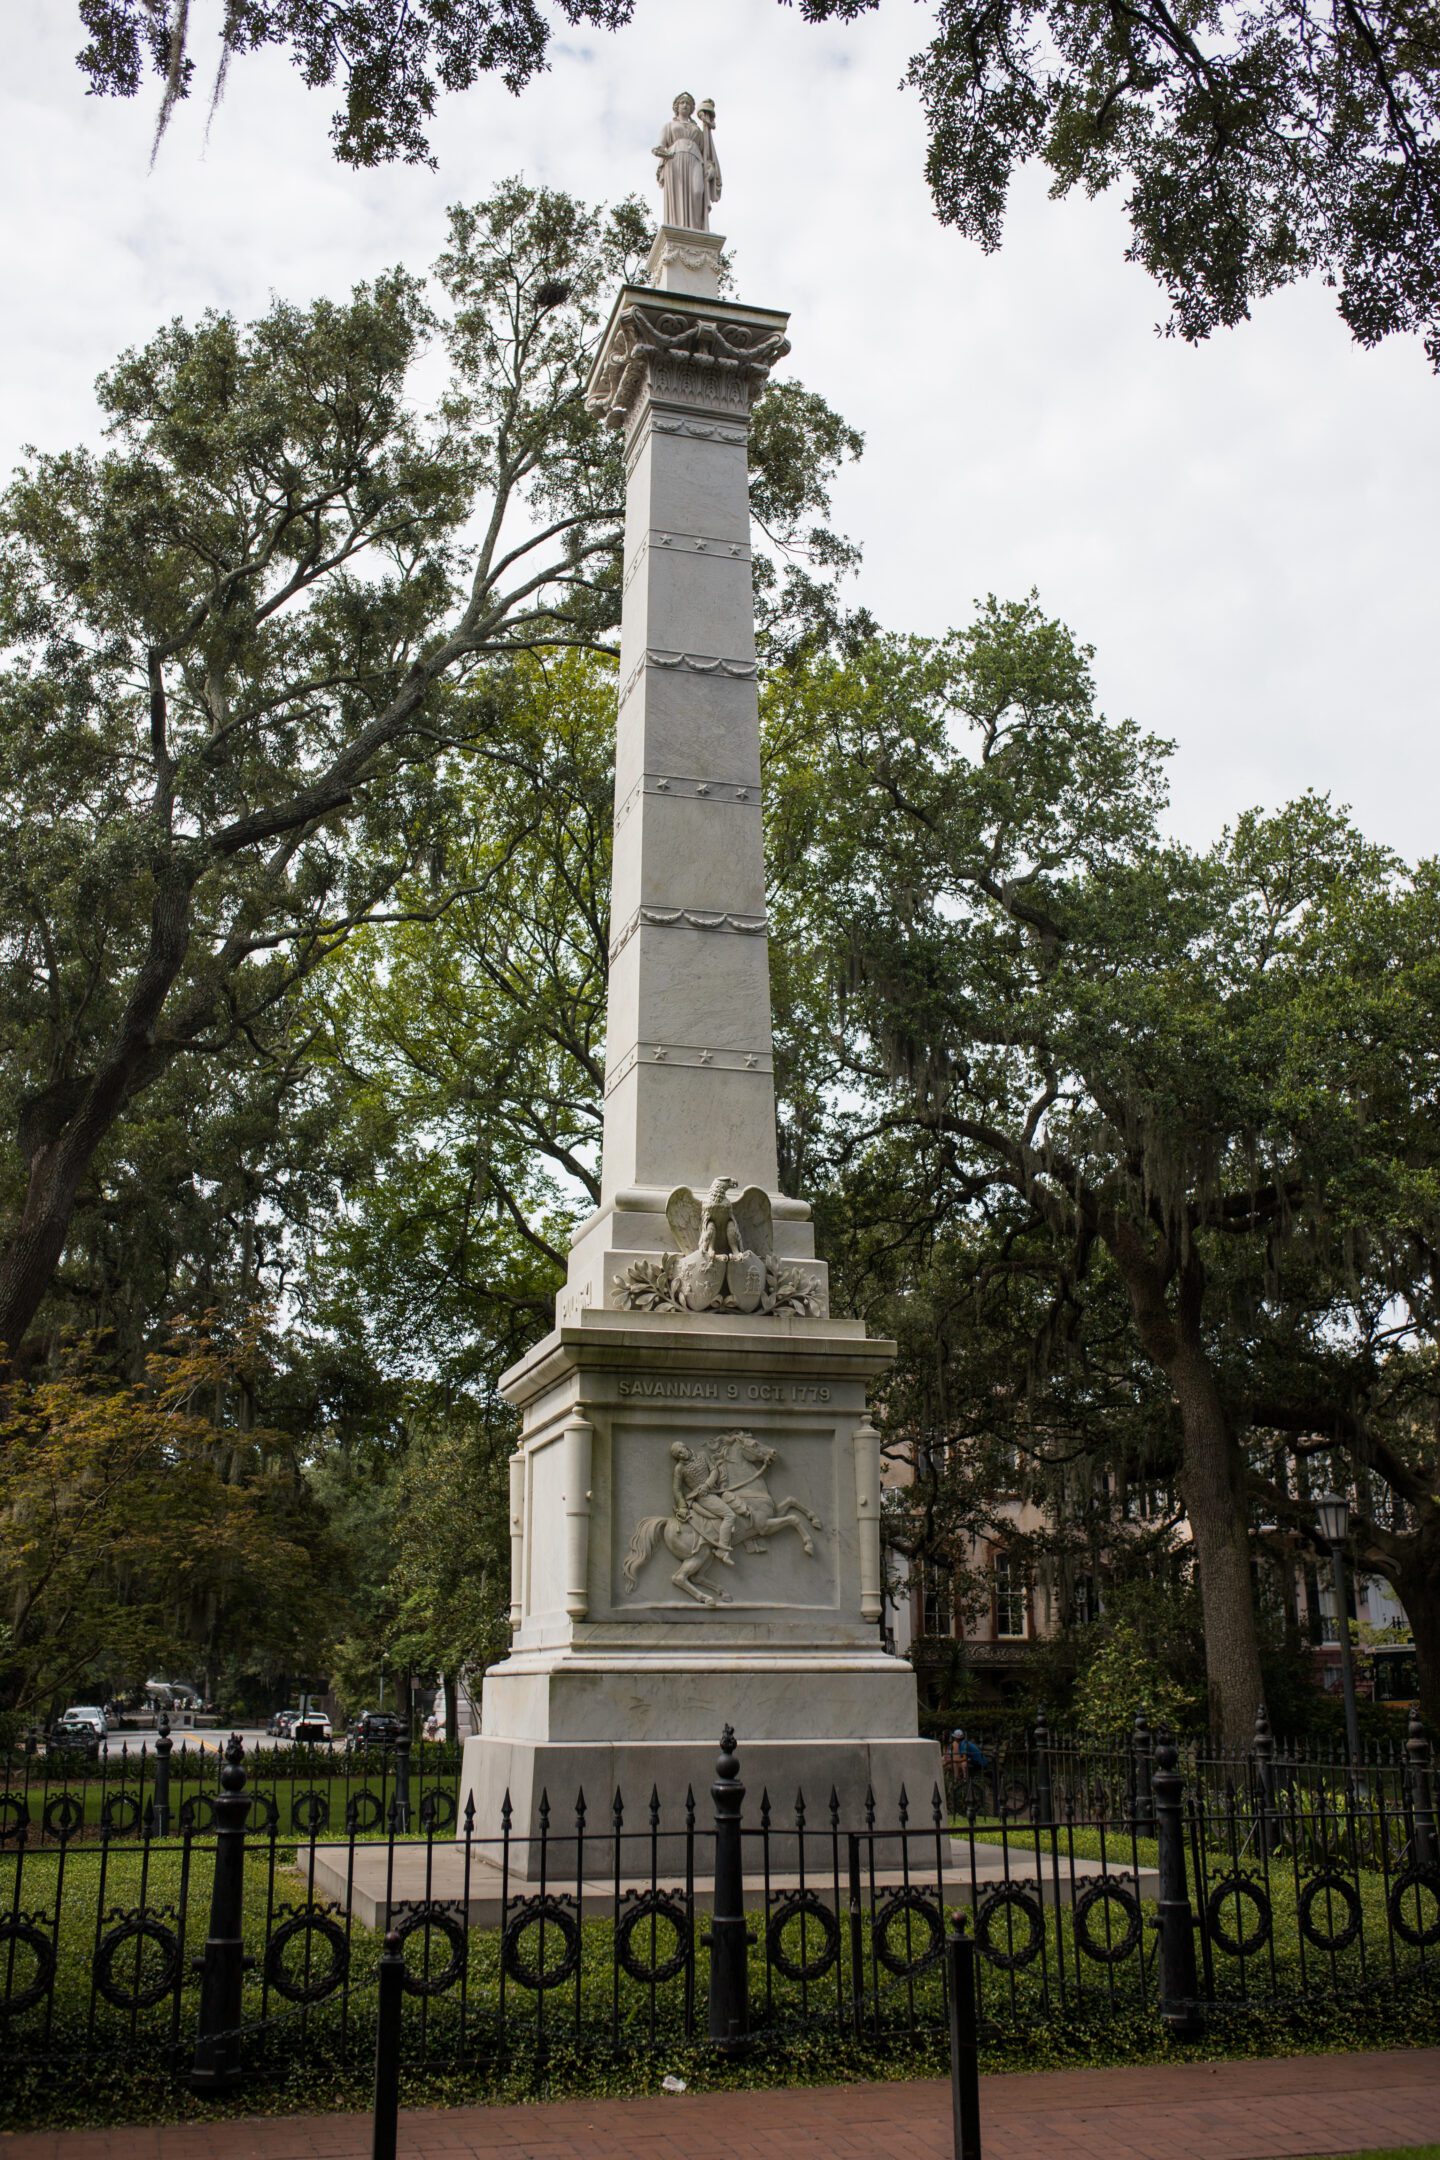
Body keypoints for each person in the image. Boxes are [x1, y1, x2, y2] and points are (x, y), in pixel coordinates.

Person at [652, 92, 721, 232]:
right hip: (674, 161)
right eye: (682, 102)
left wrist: (710, 167)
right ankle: (678, 227)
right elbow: (658, 147)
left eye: (688, 103)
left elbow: (706, 153)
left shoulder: (697, 129)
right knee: (678, 196)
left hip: (696, 161)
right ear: (676, 106)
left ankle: (696, 229)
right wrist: (664, 153)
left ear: (692, 109)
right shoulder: (669, 126)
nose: (685, 105)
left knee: (697, 192)